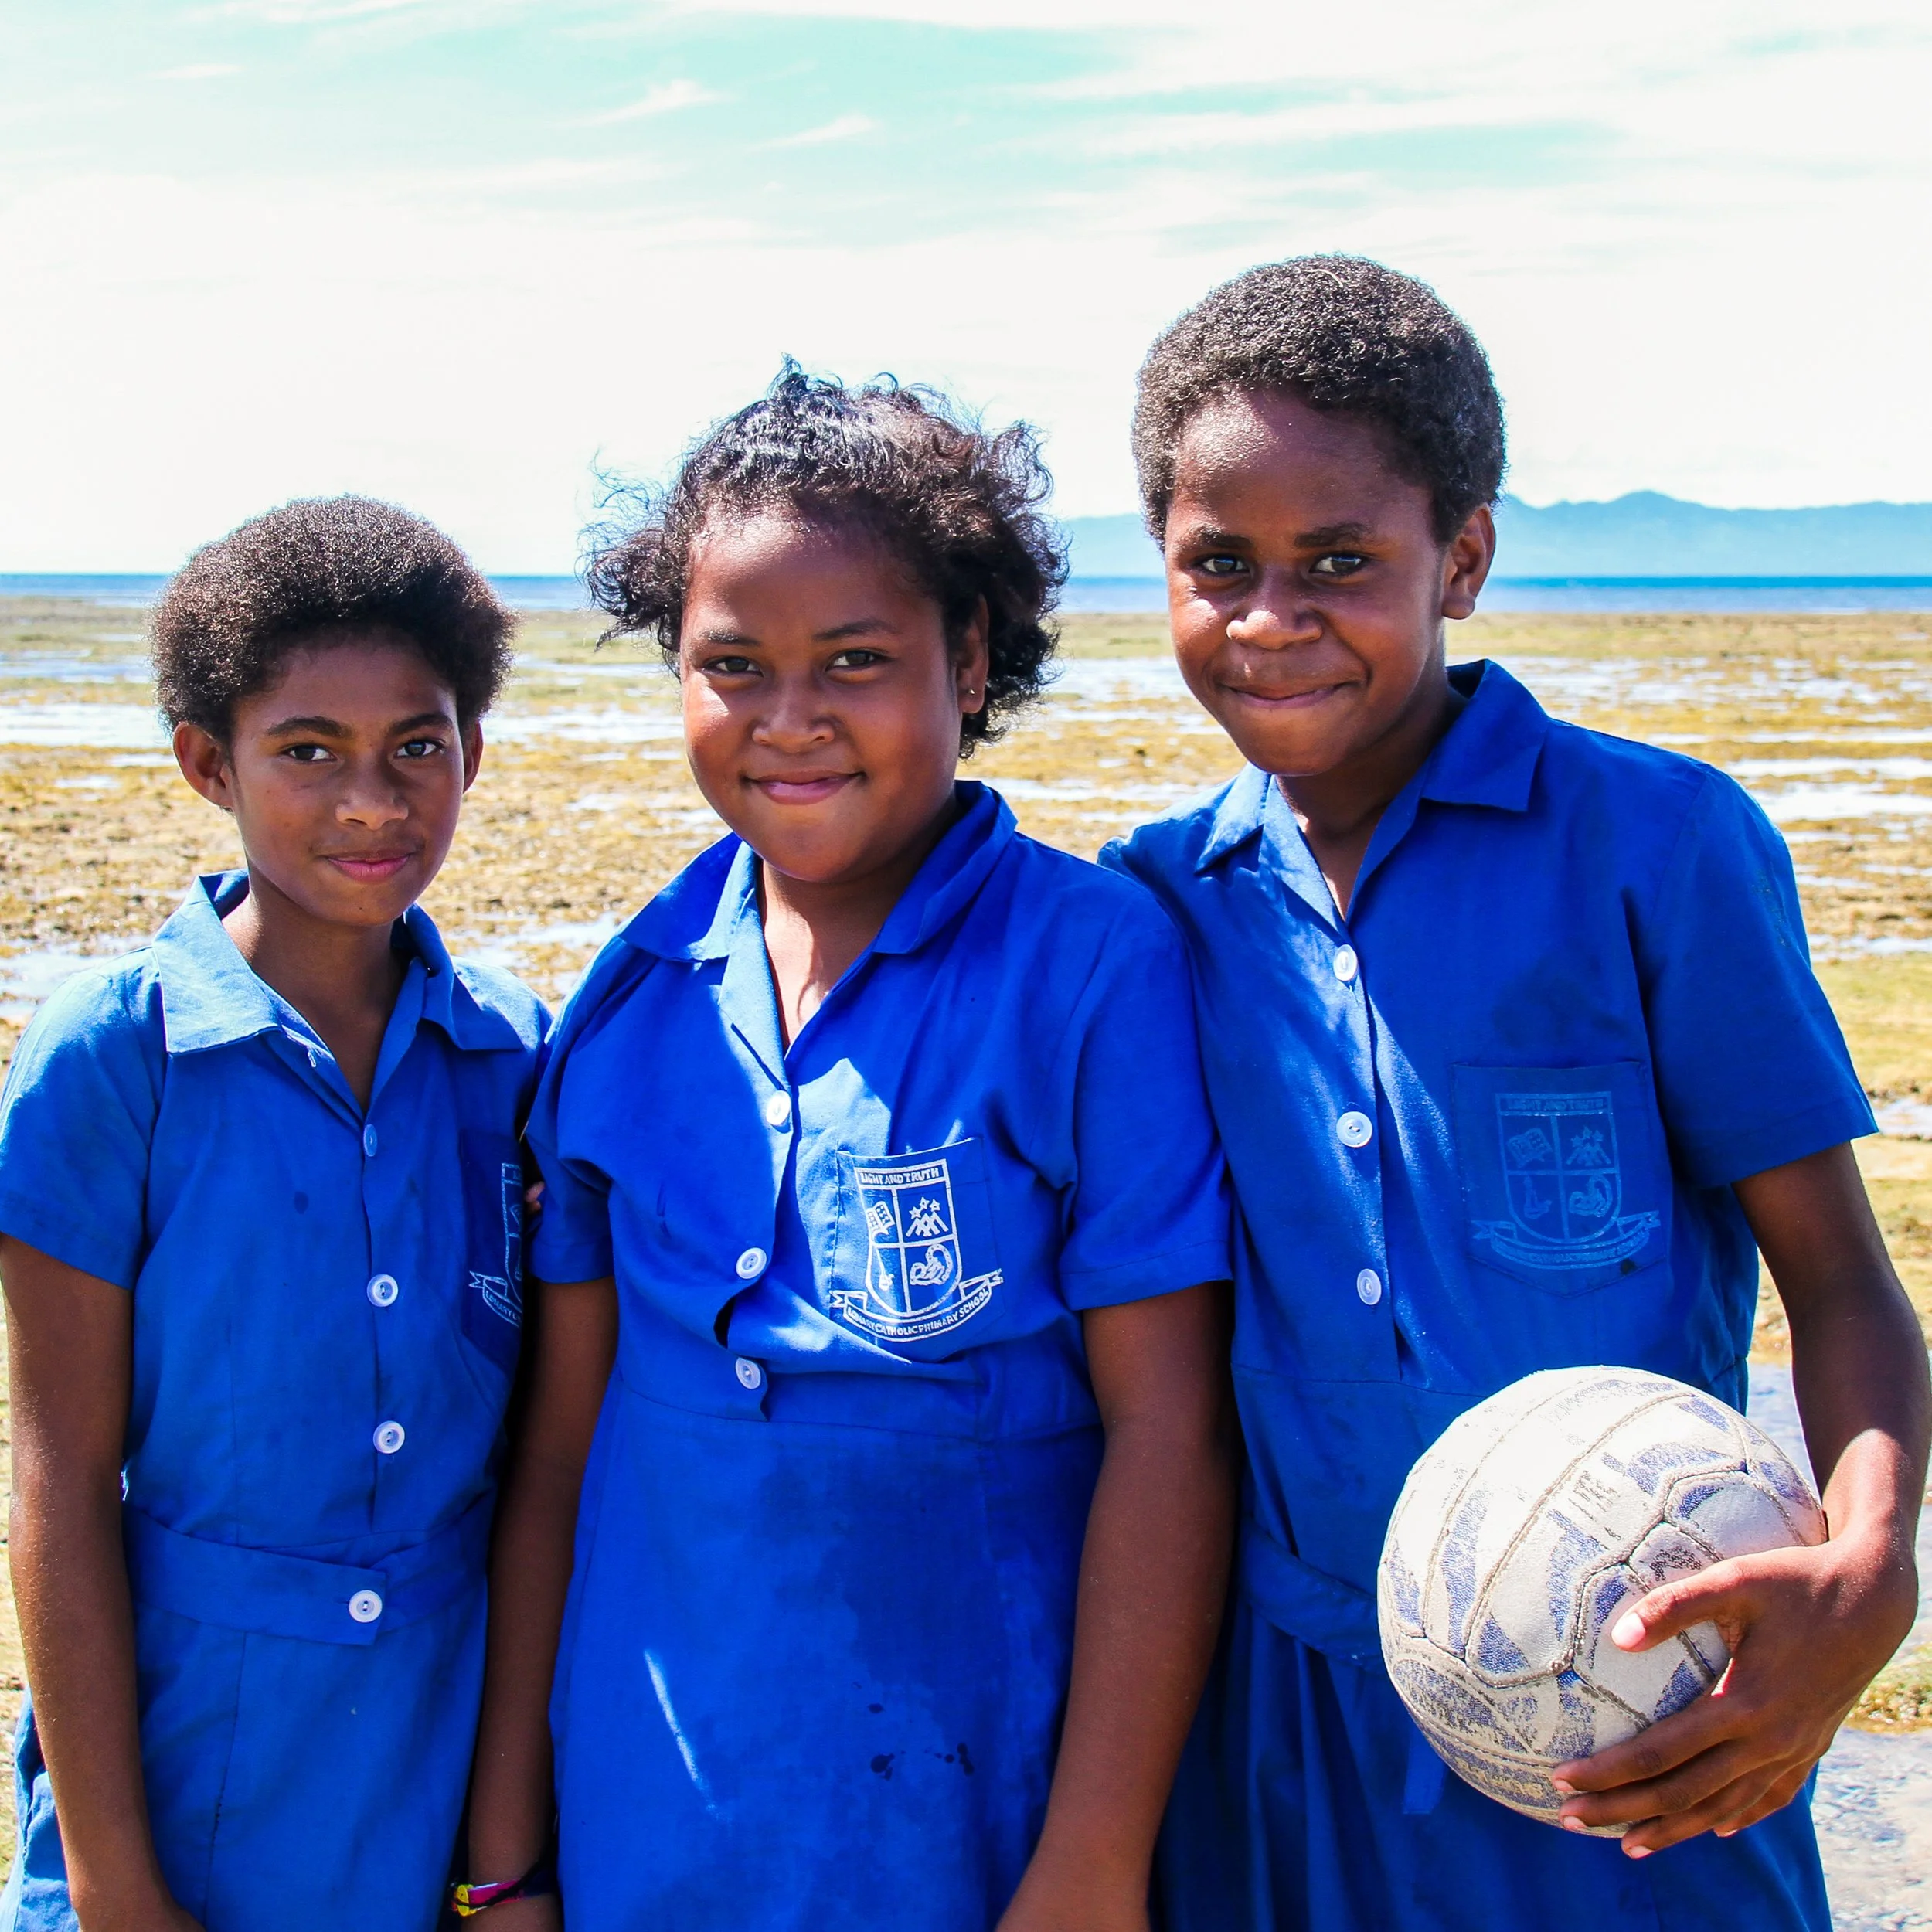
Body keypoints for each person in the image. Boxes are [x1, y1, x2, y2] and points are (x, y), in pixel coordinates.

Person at [1105, 257, 1931, 1931]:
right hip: (1275, 1729)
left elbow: (1837, 1272)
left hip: (1640, 1720)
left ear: (1460, 558)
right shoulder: (1154, 906)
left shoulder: (1656, 848)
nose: (1270, 617)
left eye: (1339, 560)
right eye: (1218, 565)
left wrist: (1864, 1567)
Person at [461, 366, 1236, 1931]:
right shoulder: (630, 994)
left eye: (856, 660)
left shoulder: (1089, 966)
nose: (790, 718)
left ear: (966, 655)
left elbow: (1168, 1434)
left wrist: (1090, 1860)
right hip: (651, 1818)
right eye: (731, 663)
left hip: (978, 1823)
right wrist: (503, 1858)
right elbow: (556, 1453)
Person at [0, 498, 549, 1932]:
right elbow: (58, 1483)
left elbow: (531, 1472)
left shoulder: (512, 1055)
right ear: (207, 764)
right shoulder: (110, 1056)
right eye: (308, 752)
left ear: (471, 756)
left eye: (416, 746)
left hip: (434, 1750)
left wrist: (504, 1866)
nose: (373, 799)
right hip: (179, 1761)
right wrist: (118, 1884)